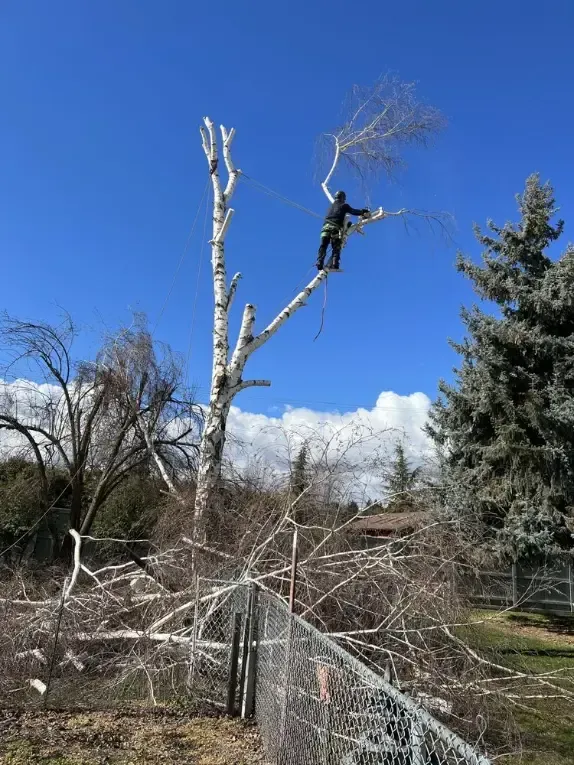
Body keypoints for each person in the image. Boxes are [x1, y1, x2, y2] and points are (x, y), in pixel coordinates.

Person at [316, 191, 370, 271]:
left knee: (323, 246)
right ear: (342, 198)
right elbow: (353, 211)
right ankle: (335, 264)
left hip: (325, 228)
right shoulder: (344, 205)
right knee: (336, 247)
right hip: (335, 228)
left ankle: (319, 262)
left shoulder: (330, 206)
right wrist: (363, 211)